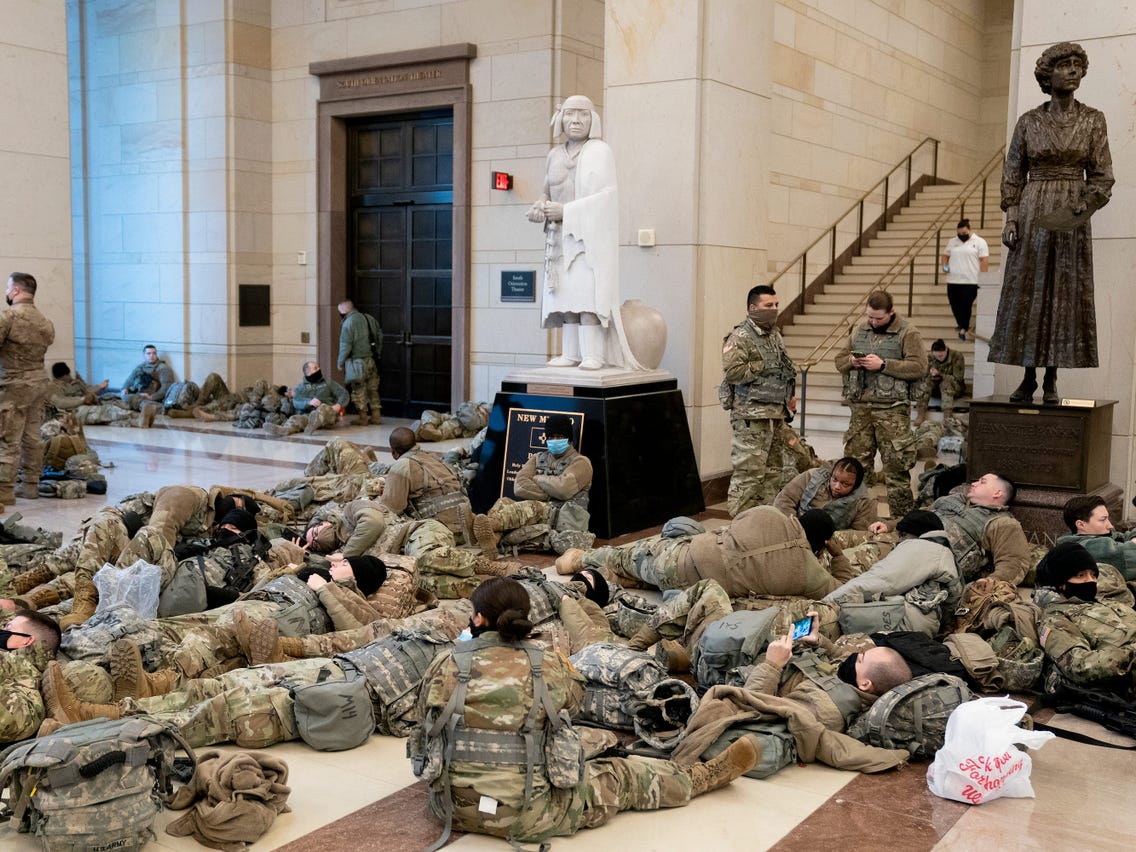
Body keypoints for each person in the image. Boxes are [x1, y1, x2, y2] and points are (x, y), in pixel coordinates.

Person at [412, 577, 758, 847]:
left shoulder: (444, 663)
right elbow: (575, 703)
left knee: (575, 740)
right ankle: (699, 778)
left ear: (478, 618)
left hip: (450, 809)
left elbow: (423, 728)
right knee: (622, 773)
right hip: (531, 814)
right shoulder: (544, 664)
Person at [989, 42, 1114, 404]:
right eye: (1064, 66)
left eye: (1077, 65)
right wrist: (1011, 216)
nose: (1072, 71)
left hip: (1072, 215)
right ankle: (1028, 375)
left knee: (1063, 292)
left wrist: (1083, 206)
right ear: (1048, 74)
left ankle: (1052, 379)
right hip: (1032, 210)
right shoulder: (1029, 121)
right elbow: (1013, 171)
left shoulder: (1093, 119)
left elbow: (1103, 175)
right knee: (1029, 290)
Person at [527, 95, 640, 370]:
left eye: (583, 115)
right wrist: (539, 206)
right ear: (560, 119)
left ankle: (594, 355)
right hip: (559, 240)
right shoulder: (554, 155)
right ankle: (571, 353)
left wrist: (567, 211)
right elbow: (546, 190)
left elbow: (607, 197)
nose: (576, 121)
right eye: (570, 114)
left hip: (588, 240)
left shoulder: (600, 151)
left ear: (593, 120)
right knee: (566, 300)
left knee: (588, 298)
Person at [560, 505, 850, 599]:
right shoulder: (811, 575)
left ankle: (581, 558)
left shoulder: (770, 514)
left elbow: (734, 527)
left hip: (683, 558)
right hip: (700, 592)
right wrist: (838, 557)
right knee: (658, 575)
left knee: (632, 555)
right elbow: (844, 591)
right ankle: (620, 577)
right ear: (823, 543)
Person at [835, 289, 926, 520]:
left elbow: (919, 366)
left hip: (892, 410)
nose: (873, 322)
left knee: (896, 469)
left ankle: (901, 522)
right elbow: (839, 361)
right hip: (861, 409)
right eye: (870, 317)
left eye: (878, 318)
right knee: (856, 467)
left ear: (891, 312)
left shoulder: (907, 332)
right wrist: (852, 361)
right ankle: (857, 518)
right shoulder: (859, 330)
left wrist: (884, 365)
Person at [720, 284, 797, 516]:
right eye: (768, 306)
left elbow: (784, 368)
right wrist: (762, 364)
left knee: (773, 473)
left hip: (775, 415)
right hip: (751, 418)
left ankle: (762, 523)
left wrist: (788, 398)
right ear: (753, 308)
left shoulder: (774, 335)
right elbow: (733, 373)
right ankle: (737, 527)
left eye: (776, 305)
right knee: (748, 476)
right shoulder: (739, 336)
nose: (774, 310)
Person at [472, 413, 594, 556]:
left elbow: (563, 489)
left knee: (530, 507)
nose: (555, 440)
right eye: (551, 437)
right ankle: (492, 538)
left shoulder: (580, 462)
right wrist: (550, 492)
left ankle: (482, 525)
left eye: (559, 436)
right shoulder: (538, 458)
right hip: (541, 510)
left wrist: (538, 478)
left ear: (568, 438)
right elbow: (519, 486)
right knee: (503, 502)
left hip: (562, 515)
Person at [877, 471, 1029, 585]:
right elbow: (920, 514)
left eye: (982, 482)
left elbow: (1013, 562)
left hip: (923, 564)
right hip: (896, 541)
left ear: (997, 492)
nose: (974, 483)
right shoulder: (952, 499)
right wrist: (889, 525)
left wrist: (990, 582)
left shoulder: (1002, 523)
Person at [824, 510, 962, 636]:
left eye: (902, 535)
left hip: (900, 623)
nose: (899, 541)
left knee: (822, 621)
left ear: (917, 533)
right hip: (919, 626)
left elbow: (878, 581)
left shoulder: (922, 548)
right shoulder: (944, 554)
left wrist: (825, 603)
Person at [1033, 541, 1135, 696]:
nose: (1090, 580)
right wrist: (1131, 654)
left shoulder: (1107, 601)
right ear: (1062, 583)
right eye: (1080, 575)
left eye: (1093, 575)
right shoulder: (1056, 619)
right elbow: (1078, 665)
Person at [0, 272, 56, 505]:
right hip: (39, 384)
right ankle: (30, 486)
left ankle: (4, 491)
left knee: (7, 438)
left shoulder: (9, 317)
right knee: (33, 438)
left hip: (13, 387)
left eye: (7, 287)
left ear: (15, 291)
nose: (5, 292)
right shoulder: (45, 322)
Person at [382, 427, 473, 544]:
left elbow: (392, 508)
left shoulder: (402, 466)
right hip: (466, 528)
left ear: (393, 452)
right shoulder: (433, 457)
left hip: (439, 533)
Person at [773, 457, 877, 531]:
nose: (837, 486)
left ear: (855, 485)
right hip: (795, 527)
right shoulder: (812, 476)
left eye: (845, 484)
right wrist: (794, 528)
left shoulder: (864, 501)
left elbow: (858, 533)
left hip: (831, 541)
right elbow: (785, 499)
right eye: (834, 479)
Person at [1057, 495, 1136, 582]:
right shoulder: (1084, 549)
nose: (1110, 525)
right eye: (1103, 520)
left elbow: (1123, 537)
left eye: (1107, 519)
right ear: (1081, 524)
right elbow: (1126, 552)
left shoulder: (1098, 535)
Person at [264, 361, 348, 436]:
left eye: (318, 367)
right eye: (315, 368)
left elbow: (344, 394)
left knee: (323, 408)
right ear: (308, 372)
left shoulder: (328, 382)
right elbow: (296, 402)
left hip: (327, 414)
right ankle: (284, 430)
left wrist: (339, 404)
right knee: (296, 419)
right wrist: (309, 402)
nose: (319, 369)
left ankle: (316, 420)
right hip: (308, 415)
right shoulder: (300, 388)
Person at [940, 218, 989, 340]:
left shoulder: (979, 242)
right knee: (954, 304)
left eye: (964, 234)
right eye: (959, 234)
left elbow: (984, 261)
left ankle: (963, 328)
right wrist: (945, 267)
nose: (962, 236)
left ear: (969, 230)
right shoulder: (952, 242)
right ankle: (961, 324)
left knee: (965, 304)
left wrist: (984, 278)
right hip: (953, 280)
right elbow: (945, 256)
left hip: (971, 281)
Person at [336, 299, 382, 425]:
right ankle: (376, 416)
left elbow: (345, 345)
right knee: (373, 388)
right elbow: (379, 336)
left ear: (345, 310)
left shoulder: (348, 323)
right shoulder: (368, 318)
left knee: (359, 389)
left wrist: (340, 361)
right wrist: (377, 352)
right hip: (371, 360)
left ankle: (363, 418)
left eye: (340, 311)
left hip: (356, 362)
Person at [117, 344, 176, 425]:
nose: (152, 356)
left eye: (154, 353)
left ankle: (152, 409)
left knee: (135, 401)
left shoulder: (163, 368)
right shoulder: (140, 367)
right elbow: (129, 380)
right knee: (112, 397)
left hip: (153, 398)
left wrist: (152, 397)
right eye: (148, 353)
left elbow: (167, 387)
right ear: (144, 355)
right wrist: (124, 389)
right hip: (139, 395)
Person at [914, 339, 966, 424]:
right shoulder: (930, 357)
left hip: (954, 387)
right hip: (936, 388)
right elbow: (923, 376)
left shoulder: (957, 356)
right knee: (925, 383)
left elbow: (958, 378)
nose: (939, 358)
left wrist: (941, 374)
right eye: (937, 356)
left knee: (946, 382)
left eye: (941, 356)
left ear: (946, 350)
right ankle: (920, 413)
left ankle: (947, 416)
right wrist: (931, 375)